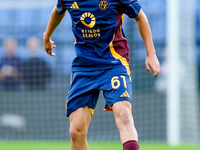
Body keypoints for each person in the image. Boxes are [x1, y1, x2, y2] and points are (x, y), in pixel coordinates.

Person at [43, 0, 160, 150]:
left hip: (114, 63)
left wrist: (151, 54)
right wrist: (47, 36)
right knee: (76, 131)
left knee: (124, 116)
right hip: (84, 67)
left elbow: (140, 16)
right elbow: (58, 10)